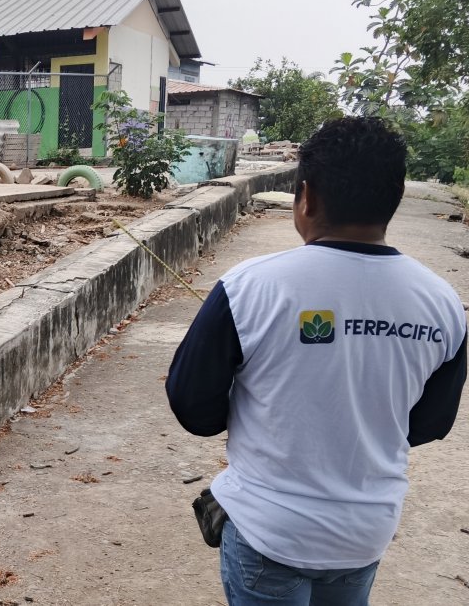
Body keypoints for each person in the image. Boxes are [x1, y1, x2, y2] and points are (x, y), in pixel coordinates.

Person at [165, 117, 466, 605]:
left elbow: (192, 406)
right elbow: (430, 423)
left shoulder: (249, 287)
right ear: (395, 196)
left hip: (269, 531)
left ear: (305, 197)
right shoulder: (442, 302)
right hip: (365, 534)